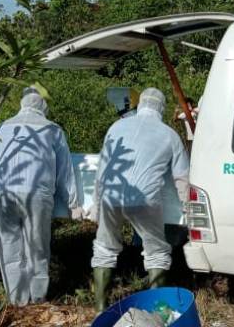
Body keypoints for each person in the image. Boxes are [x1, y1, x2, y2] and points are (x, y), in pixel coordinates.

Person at [90, 87, 190, 311]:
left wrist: (97, 204)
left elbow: (102, 167)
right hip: (145, 198)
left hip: (110, 193)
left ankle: (100, 309)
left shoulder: (116, 126)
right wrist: (189, 210)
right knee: (156, 251)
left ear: (140, 104)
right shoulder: (169, 134)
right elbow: (182, 178)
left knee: (104, 249)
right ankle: (155, 309)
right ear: (161, 108)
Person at [0, 88, 83, 306]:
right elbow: (65, 170)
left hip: (3, 193)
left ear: (22, 104)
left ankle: (16, 299)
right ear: (43, 108)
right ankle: (38, 297)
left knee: (8, 245)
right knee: (37, 246)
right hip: (37, 194)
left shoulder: (3, 127)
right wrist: (74, 203)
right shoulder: (52, 129)